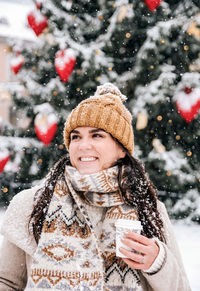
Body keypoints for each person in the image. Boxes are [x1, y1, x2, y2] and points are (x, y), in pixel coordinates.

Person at [0, 83, 191, 291]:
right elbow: (6, 282)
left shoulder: (149, 209)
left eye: (97, 135)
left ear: (121, 149)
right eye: (76, 137)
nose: (83, 146)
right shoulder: (33, 204)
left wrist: (158, 263)